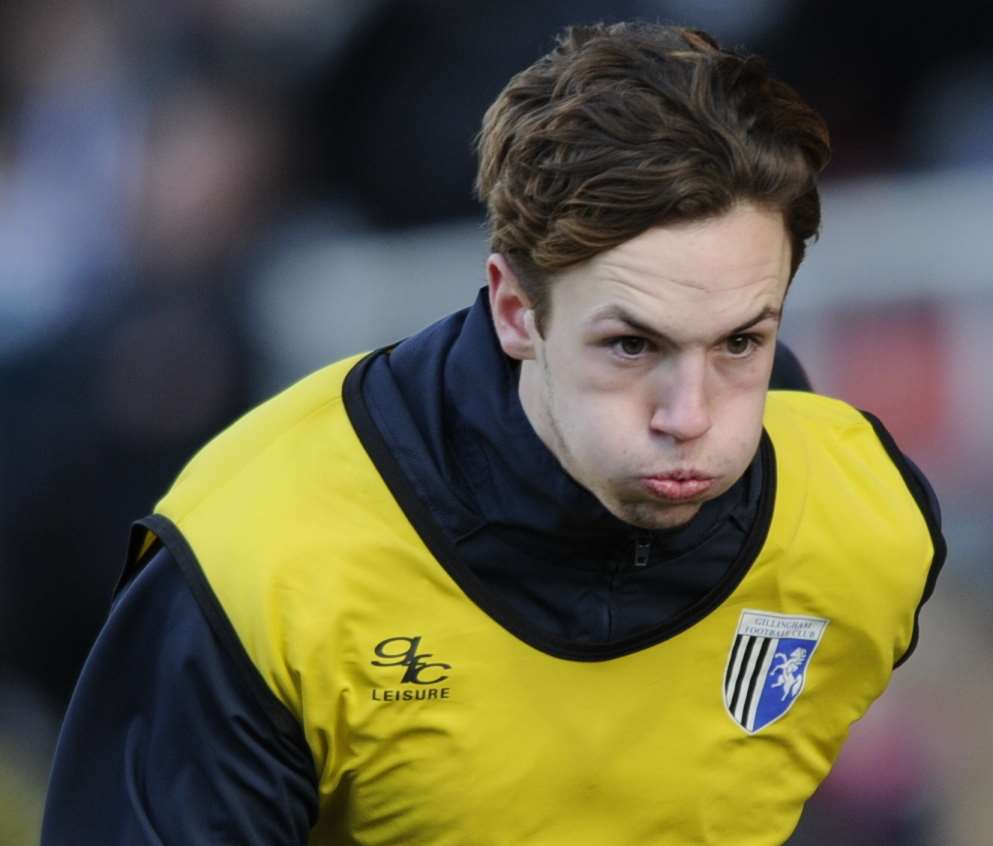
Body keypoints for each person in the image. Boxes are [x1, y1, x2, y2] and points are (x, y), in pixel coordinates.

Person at [42, 21, 945, 845]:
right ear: (517, 309)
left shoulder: (868, 528)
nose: (691, 417)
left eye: (741, 342)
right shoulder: (258, 562)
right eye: (632, 345)